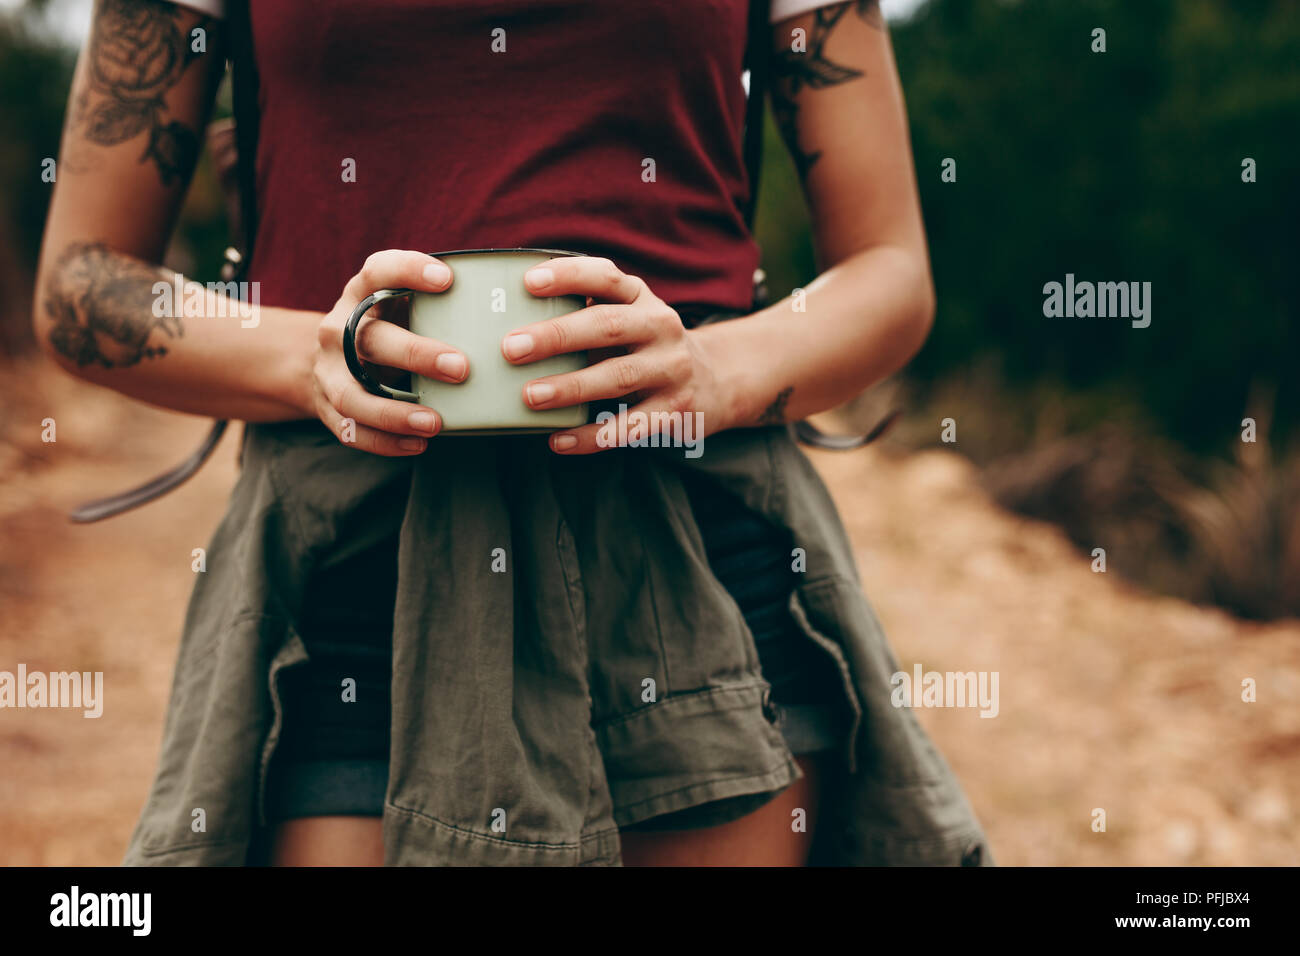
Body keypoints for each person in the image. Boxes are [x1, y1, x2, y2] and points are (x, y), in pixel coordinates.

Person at [34, 0, 990, 866]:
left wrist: (719, 372)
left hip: (700, 560)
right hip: (355, 573)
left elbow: (890, 269)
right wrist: (309, 357)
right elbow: (80, 281)